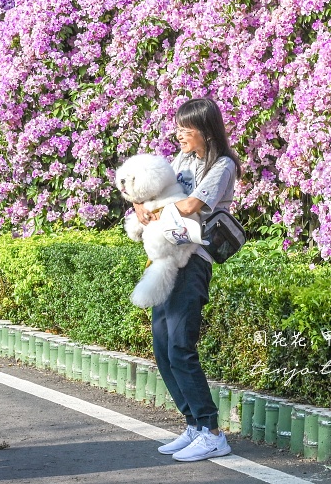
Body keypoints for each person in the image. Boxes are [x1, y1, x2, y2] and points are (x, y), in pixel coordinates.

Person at [132, 98, 241, 462]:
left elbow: (192, 205)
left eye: (186, 129)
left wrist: (154, 209)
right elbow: (154, 194)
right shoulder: (182, 161)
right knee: (163, 346)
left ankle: (212, 432)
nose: (179, 135)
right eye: (178, 128)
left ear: (206, 131)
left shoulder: (222, 165)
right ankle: (193, 423)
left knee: (180, 344)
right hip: (164, 257)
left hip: (194, 260)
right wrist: (139, 207)